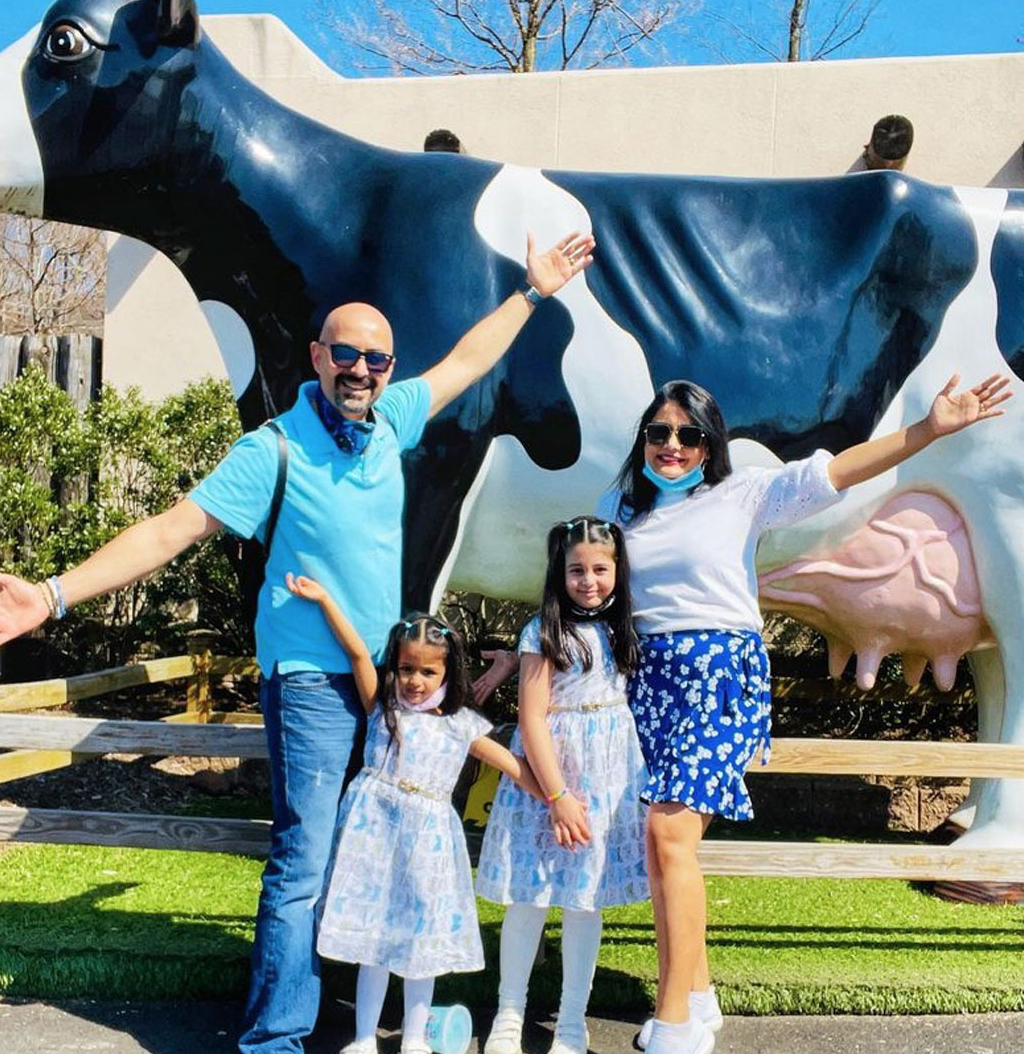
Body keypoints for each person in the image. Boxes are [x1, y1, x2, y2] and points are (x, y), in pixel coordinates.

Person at [0, 230, 594, 1054]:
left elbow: (466, 361)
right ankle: (275, 1040)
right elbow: (171, 530)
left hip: (386, 686)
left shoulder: (390, 422)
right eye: (345, 353)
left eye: (376, 359)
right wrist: (53, 594)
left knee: (371, 851)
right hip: (312, 683)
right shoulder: (272, 449)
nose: (361, 369)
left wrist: (531, 293)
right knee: (305, 860)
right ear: (318, 357)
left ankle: (361, 1020)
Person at [474, 371, 1013, 1054]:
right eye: (660, 431)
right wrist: (527, 653)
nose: (673, 444)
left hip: (720, 678)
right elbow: (590, 594)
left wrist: (929, 430)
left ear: (710, 444)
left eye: (689, 434)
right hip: (645, 684)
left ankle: (674, 1021)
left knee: (669, 834)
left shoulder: (743, 494)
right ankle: (698, 996)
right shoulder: (619, 507)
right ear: (644, 438)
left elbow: (838, 472)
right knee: (663, 845)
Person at [285, 571, 542, 1054]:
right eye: (406, 668)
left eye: (428, 672)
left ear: (447, 672)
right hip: (373, 837)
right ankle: (364, 1037)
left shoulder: (461, 724)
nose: (415, 681)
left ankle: (416, 1038)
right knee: (374, 942)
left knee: (418, 942)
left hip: (428, 843)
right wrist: (324, 600)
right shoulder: (383, 706)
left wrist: (558, 798)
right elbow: (357, 653)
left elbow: (512, 765)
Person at [475, 516, 649, 1054]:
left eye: (600, 569)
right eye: (577, 570)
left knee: (584, 900)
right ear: (560, 572)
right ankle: (509, 1011)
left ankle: (572, 1019)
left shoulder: (626, 628)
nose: (588, 580)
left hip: (607, 777)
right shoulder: (542, 631)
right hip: (550, 777)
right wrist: (557, 796)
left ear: (617, 570)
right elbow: (532, 719)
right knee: (528, 898)